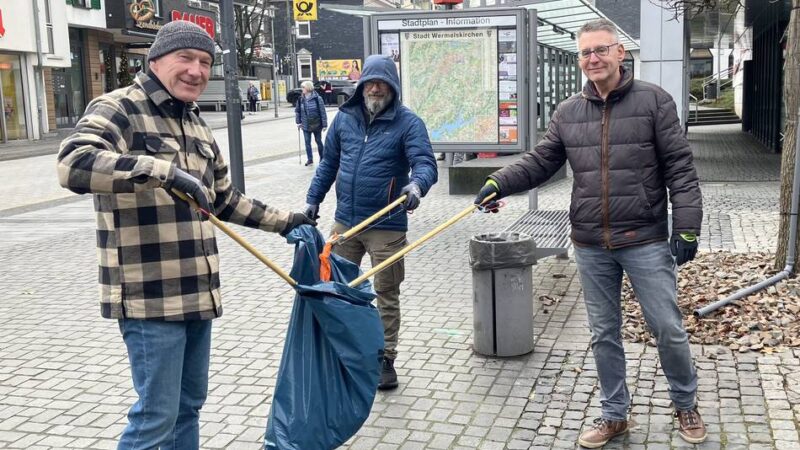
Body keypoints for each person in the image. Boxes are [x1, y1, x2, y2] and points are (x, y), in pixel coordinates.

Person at [56, 21, 315, 449]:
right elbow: (73, 164)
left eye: (205, 62)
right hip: (148, 296)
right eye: (186, 59)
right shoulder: (120, 107)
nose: (197, 70)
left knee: (189, 407)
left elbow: (225, 199)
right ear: (155, 60)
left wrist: (287, 221)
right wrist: (163, 172)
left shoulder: (196, 125)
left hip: (198, 293)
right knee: (155, 415)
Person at [474, 19, 705, 449]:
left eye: (601, 50)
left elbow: (680, 168)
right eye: (586, 53)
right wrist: (499, 182)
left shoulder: (654, 102)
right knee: (603, 333)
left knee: (667, 328)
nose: (593, 59)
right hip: (591, 244)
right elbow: (541, 160)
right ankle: (615, 415)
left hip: (645, 238)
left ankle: (685, 402)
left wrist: (687, 226)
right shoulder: (568, 112)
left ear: (621, 54)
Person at [303, 54, 438, 390]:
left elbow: (425, 163)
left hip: (386, 224)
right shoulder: (344, 118)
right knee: (338, 290)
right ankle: (347, 353)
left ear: (392, 87)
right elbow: (328, 164)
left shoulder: (408, 123)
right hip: (345, 222)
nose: (376, 88)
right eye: (371, 82)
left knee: (386, 291)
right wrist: (312, 200)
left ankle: (385, 358)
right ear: (361, 85)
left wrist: (417, 185)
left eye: (383, 83)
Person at [295, 80, 327, 166]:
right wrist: (298, 122)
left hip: (317, 124)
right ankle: (310, 159)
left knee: (318, 141)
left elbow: (322, 112)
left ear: (308, 88)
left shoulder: (318, 98)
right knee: (307, 142)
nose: (302, 89)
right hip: (305, 124)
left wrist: (324, 125)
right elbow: (297, 111)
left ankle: (322, 158)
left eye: (303, 87)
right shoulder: (300, 99)